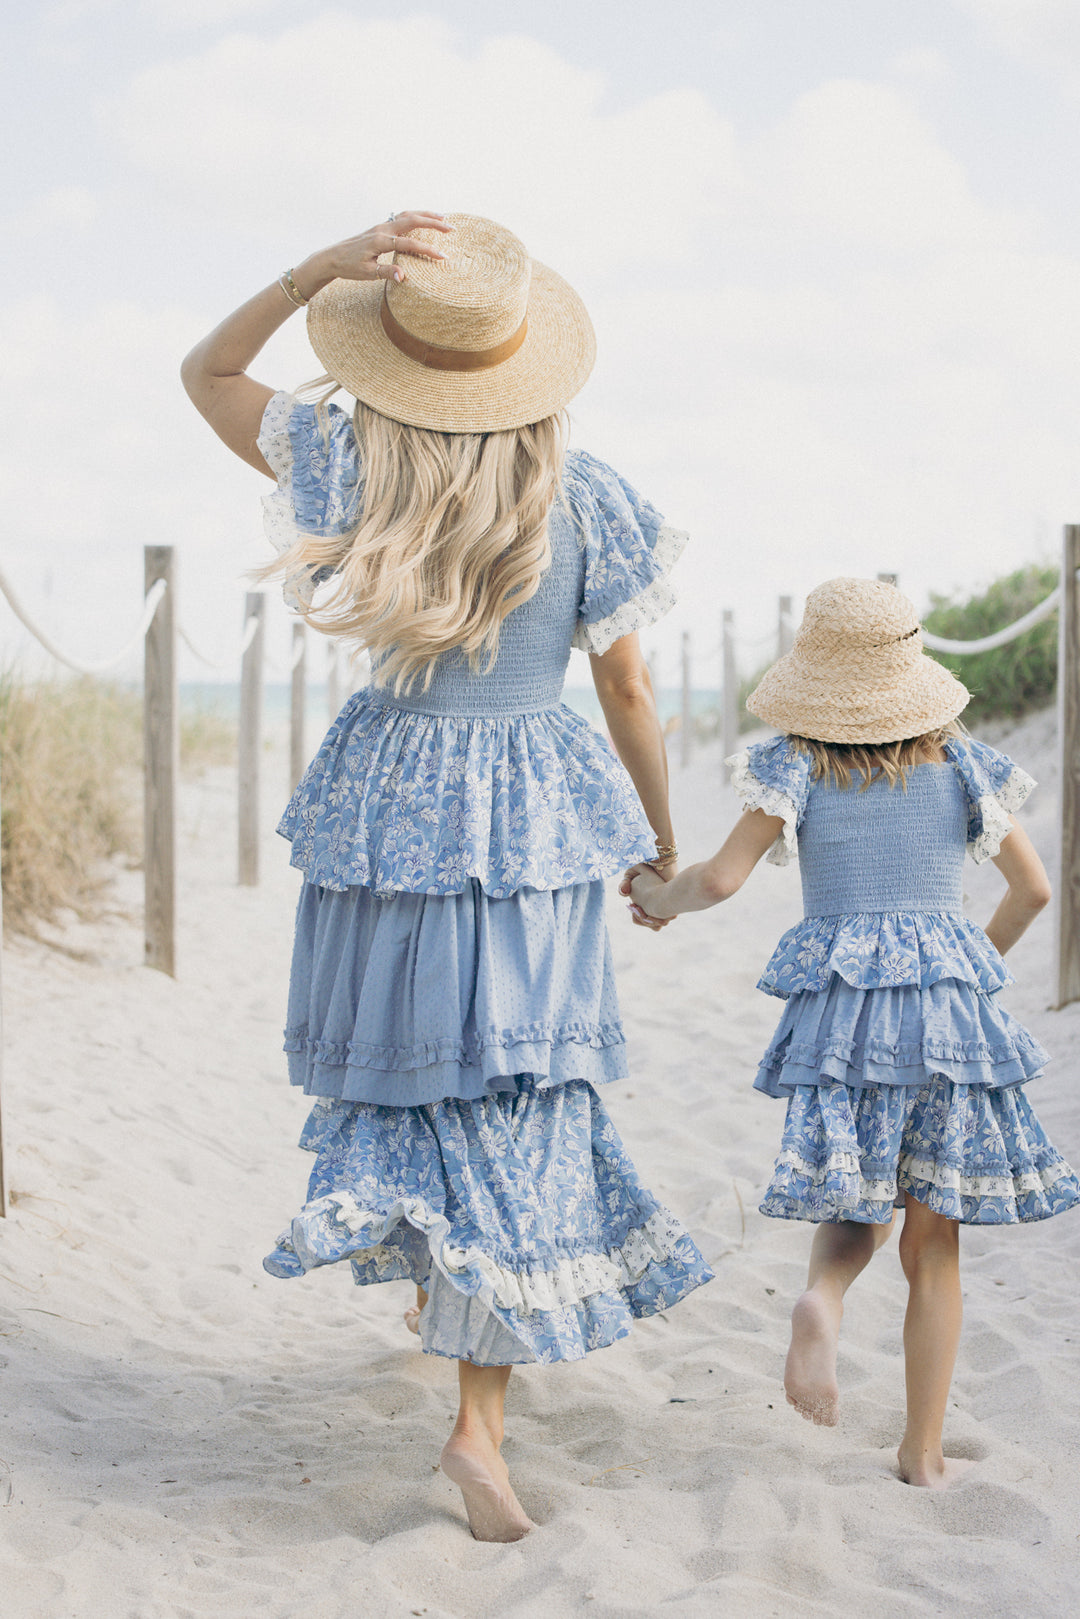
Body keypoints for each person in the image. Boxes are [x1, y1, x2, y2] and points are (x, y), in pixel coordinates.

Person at [181, 211, 713, 1541]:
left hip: (394, 800)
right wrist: (659, 839)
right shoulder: (588, 498)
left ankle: (445, 1305)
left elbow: (205, 370)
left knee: (420, 1073)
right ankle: (478, 1421)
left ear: (395, 357)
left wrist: (316, 270)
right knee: (516, 1086)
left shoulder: (347, 463)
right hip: (535, 805)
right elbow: (630, 686)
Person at [625, 576, 1080, 1489]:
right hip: (950, 1013)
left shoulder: (797, 762)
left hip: (842, 1019)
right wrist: (968, 969)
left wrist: (652, 897)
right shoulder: (965, 764)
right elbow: (1032, 891)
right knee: (933, 1239)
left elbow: (718, 880)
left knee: (852, 1201)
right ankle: (922, 1450)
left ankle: (822, 1297)